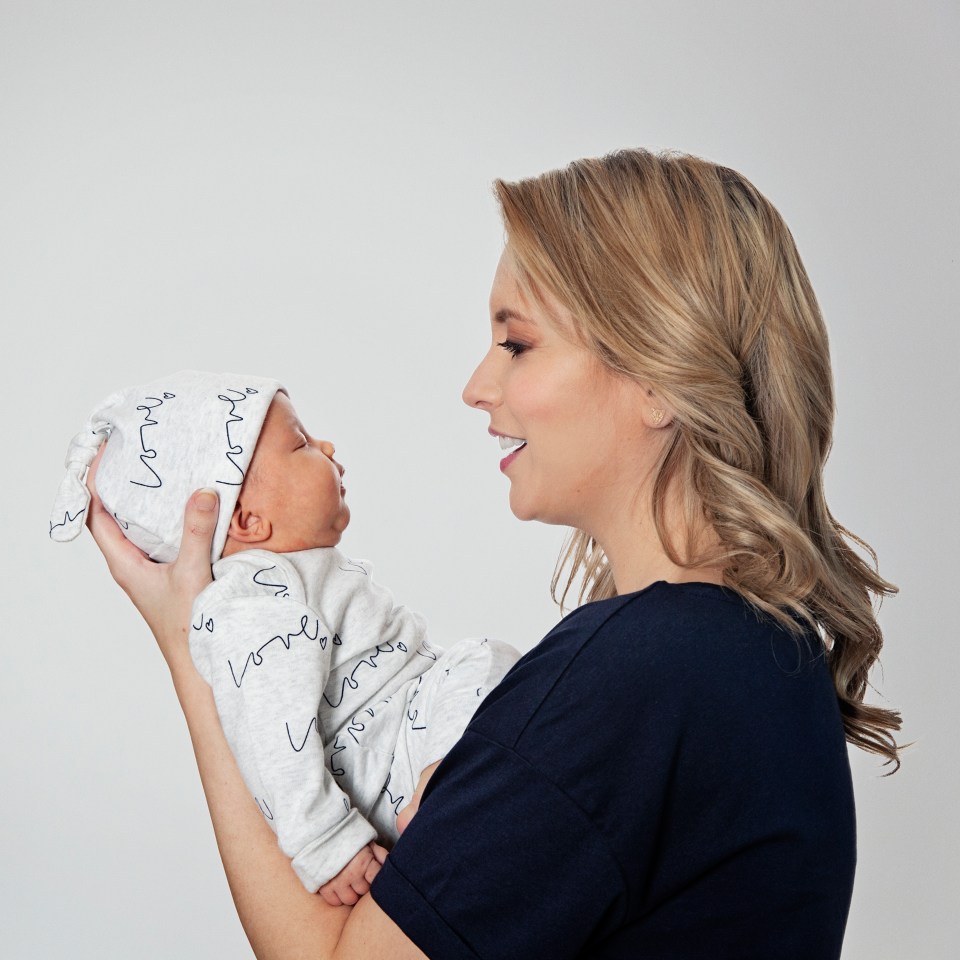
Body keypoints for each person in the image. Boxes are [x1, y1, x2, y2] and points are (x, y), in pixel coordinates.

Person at [82, 148, 901, 959]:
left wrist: (198, 652)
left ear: (658, 375)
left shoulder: (638, 678)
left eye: (518, 345)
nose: (477, 385)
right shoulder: (760, 651)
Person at [51, 369, 518, 907]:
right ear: (247, 520)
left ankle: (447, 787)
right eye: (300, 443)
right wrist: (325, 840)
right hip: (387, 760)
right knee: (484, 660)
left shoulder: (289, 578)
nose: (326, 446)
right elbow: (273, 726)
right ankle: (440, 795)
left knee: (490, 666)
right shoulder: (254, 596)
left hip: (404, 734)